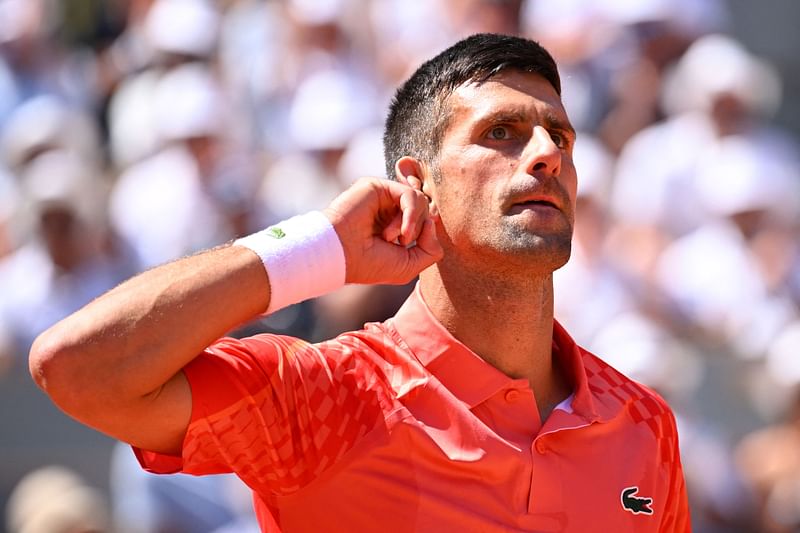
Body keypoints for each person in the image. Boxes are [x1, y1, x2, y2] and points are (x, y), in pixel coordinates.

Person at [29, 33, 690, 532]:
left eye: (561, 137)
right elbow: (76, 366)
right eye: (503, 133)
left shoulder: (644, 423)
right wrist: (314, 249)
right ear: (417, 183)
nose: (548, 154)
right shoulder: (325, 396)